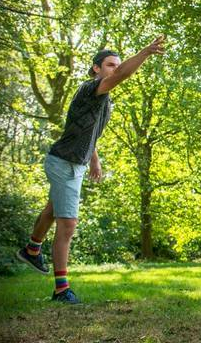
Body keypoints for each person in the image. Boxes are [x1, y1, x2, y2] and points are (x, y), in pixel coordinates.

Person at [15, 36, 166, 303]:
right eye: (109, 65)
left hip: (75, 164)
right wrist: (145, 52)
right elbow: (121, 76)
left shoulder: (104, 101)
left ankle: (31, 249)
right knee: (68, 224)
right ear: (96, 68)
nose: (114, 69)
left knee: (54, 209)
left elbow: (89, 133)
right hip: (64, 162)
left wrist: (94, 160)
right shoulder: (90, 89)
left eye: (116, 65)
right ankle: (62, 289)